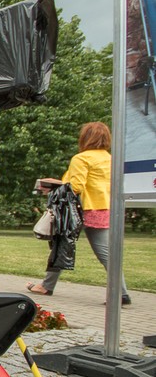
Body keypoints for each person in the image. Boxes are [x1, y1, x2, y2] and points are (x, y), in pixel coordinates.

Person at [27, 121, 131, 305]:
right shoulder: (111, 158)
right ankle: (47, 285)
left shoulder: (81, 158)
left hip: (80, 209)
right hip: (106, 207)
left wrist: (52, 187)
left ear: (85, 138)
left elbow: (76, 187)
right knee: (77, 247)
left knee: (64, 245)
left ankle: (120, 294)